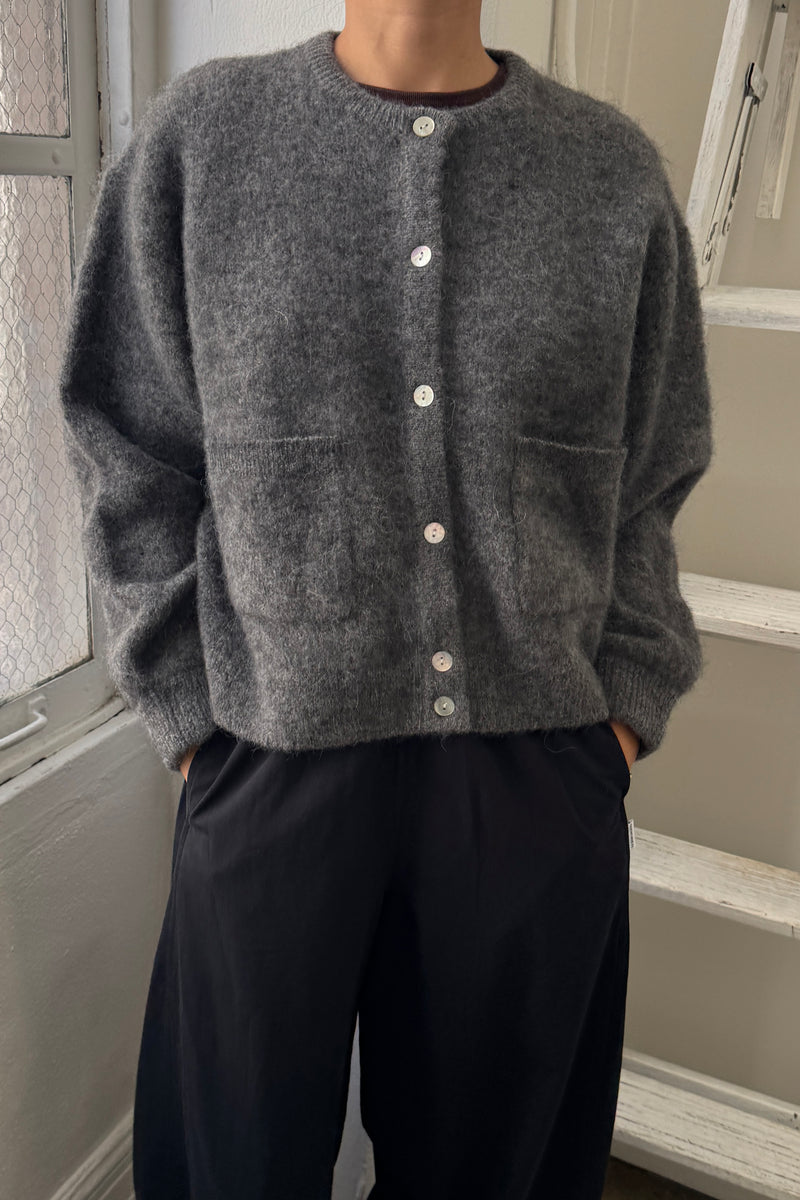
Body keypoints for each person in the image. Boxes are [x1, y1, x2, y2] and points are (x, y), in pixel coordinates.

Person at [56, 2, 714, 1197]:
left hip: (533, 770)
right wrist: (191, 716)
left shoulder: (607, 175)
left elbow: (651, 471)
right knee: (235, 1164)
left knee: (496, 1171)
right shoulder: (204, 143)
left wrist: (613, 722)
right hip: (268, 752)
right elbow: (129, 446)